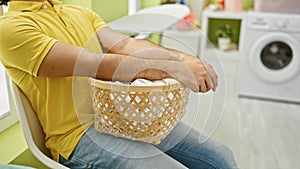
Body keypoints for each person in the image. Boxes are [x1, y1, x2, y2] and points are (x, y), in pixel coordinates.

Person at [0, 0, 238, 168]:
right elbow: (96, 64)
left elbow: (125, 46)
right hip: (77, 137)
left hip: (121, 117)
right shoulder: (9, 28)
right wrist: (176, 68)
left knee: (220, 157)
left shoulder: (78, 13)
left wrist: (185, 58)